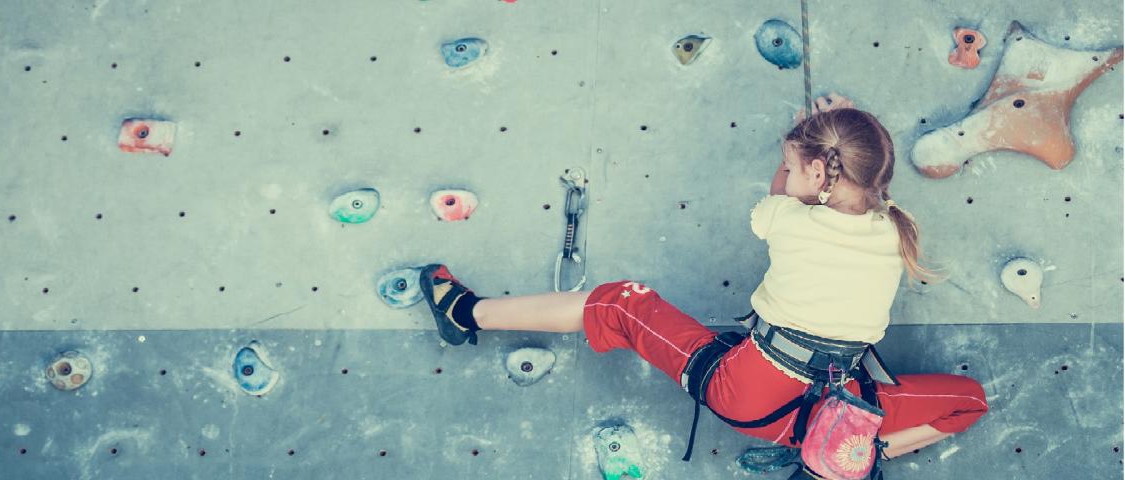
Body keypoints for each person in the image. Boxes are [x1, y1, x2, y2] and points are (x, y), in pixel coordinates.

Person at [417, 93, 988, 474]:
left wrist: (815, 149)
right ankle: (844, 456)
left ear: (817, 175)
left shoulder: (788, 219)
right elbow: (853, 179)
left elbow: (781, 197)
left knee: (621, 304)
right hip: (830, 412)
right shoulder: (894, 227)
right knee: (970, 402)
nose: (786, 173)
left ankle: (465, 313)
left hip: (748, 394)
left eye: (793, 165)